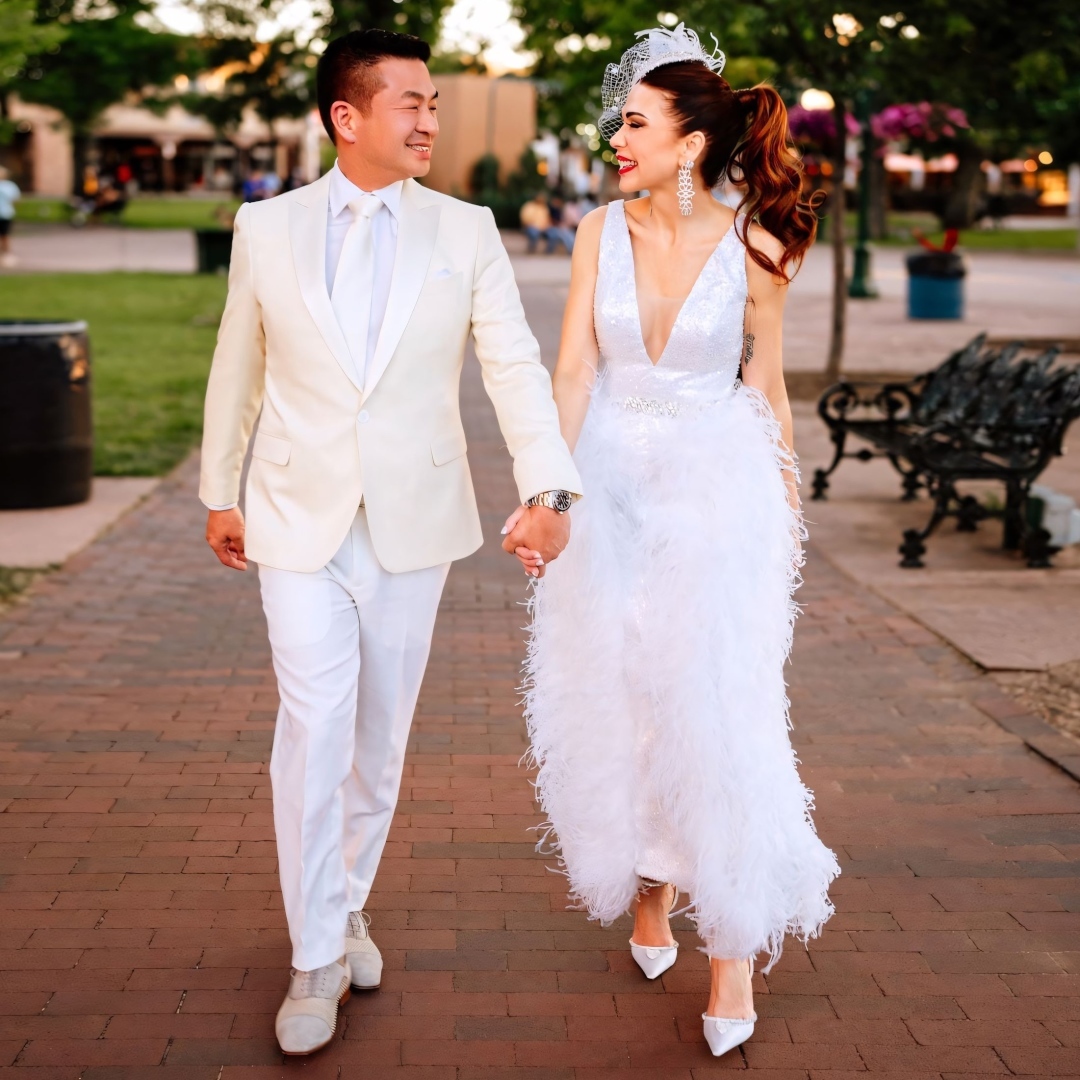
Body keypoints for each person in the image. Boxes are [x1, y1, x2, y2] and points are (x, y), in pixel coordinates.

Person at [199, 28, 581, 1056]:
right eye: (410, 102)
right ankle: (315, 953)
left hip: (415, 523)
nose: (429, 121)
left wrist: (549, 486)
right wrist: (217, 489)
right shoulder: (264, 226)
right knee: (314, 726)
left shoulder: (466, 230)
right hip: (293, 517)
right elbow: (239, 363)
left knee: (376, 742)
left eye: (433, 104)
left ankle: (348, 901)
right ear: (347, 117)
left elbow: (512, 367)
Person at [514, 23, 839, 1059]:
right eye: (620, 121)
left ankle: (733, 943)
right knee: (625, 691)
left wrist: (785, 499)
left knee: (717, 702)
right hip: (608, 488)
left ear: (691, 143)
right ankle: (651, 886)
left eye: (637, 123)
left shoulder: (760, 241)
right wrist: (548, 493)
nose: (618, 137)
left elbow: (767, 381)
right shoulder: (598, 232)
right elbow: (570, 372)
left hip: (716, 490)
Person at [0, 167, 21, 268]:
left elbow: (15, 199)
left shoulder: (10, 186)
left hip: (5, 214)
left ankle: (6, 254)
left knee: (5, 235)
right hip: (6, 212)